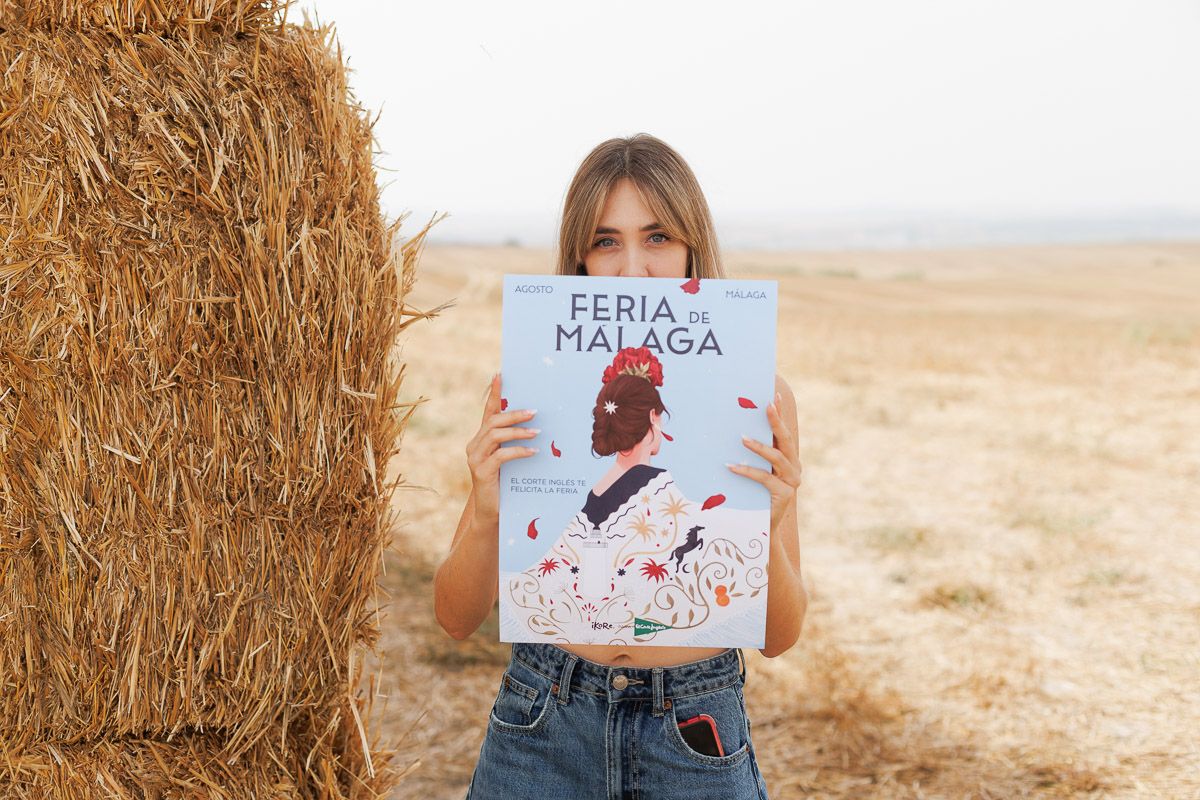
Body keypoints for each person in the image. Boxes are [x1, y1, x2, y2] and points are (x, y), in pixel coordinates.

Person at [434, 133, 807, 800]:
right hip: (542, 718)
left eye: (657, 237)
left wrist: (770, 526)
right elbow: (457, 619)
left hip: (693, 729)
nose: (633, 269)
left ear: (692, 246)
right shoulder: (528, 391)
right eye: (606, 241)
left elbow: (779, 637)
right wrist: (487, 512)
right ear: (579, 258)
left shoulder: (760, 399)